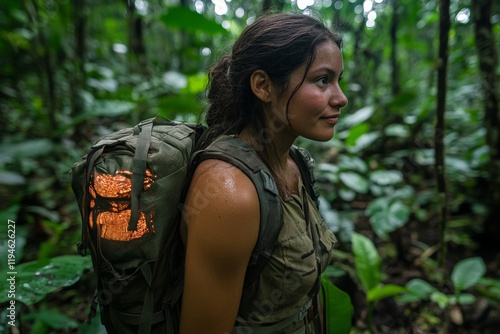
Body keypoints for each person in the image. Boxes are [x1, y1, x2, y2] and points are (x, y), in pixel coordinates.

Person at [179, 12, 348, 334]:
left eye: (338, 80)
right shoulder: (231, 194)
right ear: (263, 86)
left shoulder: (294, 163)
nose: (341, 98)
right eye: (323, 80)